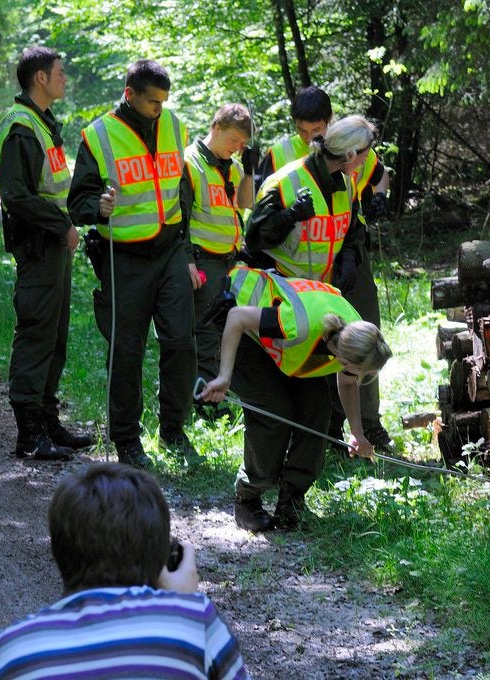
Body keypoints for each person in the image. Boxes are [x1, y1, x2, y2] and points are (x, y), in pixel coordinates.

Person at [0, 462, 249, 679]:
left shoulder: (6, 654)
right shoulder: (196, 622)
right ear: (163, 561)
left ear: (59, 553)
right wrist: (182, 601)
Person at [67, 59, 197, 467]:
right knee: (127, 350)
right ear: (130, 95)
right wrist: (98, 206)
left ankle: (174, 430)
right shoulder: (99, 136)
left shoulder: (175, 126)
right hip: (124, 258)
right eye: (152, 102)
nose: (160, 109)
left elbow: (182, 189)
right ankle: (127, 440)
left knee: (180, 341)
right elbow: (77, 202)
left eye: (164, 101)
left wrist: (188, 246)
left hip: (171, 247)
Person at [199, 266, 392, 532]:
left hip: (291, 340)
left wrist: (357, 433)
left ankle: (292, 500)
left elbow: (347, 381)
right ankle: (248, 498)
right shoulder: (298, 325)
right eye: (364, 373)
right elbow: (237, 317)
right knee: (273, 415)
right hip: (244, 328)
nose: (362, 378)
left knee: (317, 413)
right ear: (345, 358)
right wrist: (223, 376)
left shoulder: (356, 335)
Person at [251, 98, 394, 452]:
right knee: (298, 383)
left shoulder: (345, 182)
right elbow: (254, 238)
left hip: (324, 291)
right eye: (361, 157)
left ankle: (341, 434)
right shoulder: (284, 182)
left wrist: (347, 258)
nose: (364, 165)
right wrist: (288, 217)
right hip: (287, 296)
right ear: (348, 155)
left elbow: (350, 229)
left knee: (344, 359)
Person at [0, 47, 91, 462]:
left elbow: (51, 188)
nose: (64, 78)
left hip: (54, 249)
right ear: (40, 78)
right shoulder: (21, 128)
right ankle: (29, 435)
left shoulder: (43, 124)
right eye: (59, 73)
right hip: (38, 249)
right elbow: (16, 196)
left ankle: (48, 423)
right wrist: (61, 225)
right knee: (37, 335)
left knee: (55, 337)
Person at [183, 103, 255, 418]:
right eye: (234, 141)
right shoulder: (191, 162)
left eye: (243, 145)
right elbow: (180, 218)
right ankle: (205, 404)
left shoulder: (234, 167)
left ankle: (218, 393)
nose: (237, 148)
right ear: (217, 127)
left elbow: (246, 205)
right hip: (203, 259)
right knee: (206, 330)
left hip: (230, 259)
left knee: (226, 327)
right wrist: (187, 261)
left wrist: (250, 170)